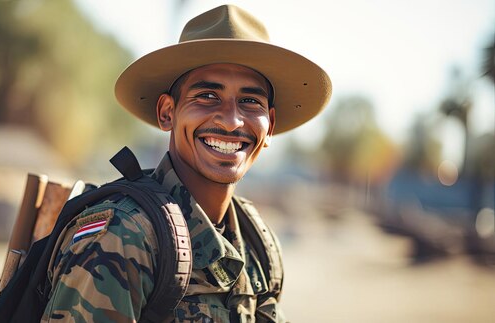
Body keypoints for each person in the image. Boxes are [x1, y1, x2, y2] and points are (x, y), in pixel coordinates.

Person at [41, 4, 331, 322]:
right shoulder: (122, 238)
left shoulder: (258, 244)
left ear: (270, 126)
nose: (233, 121)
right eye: (207, 96)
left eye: (250, 101)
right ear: (167, 112)